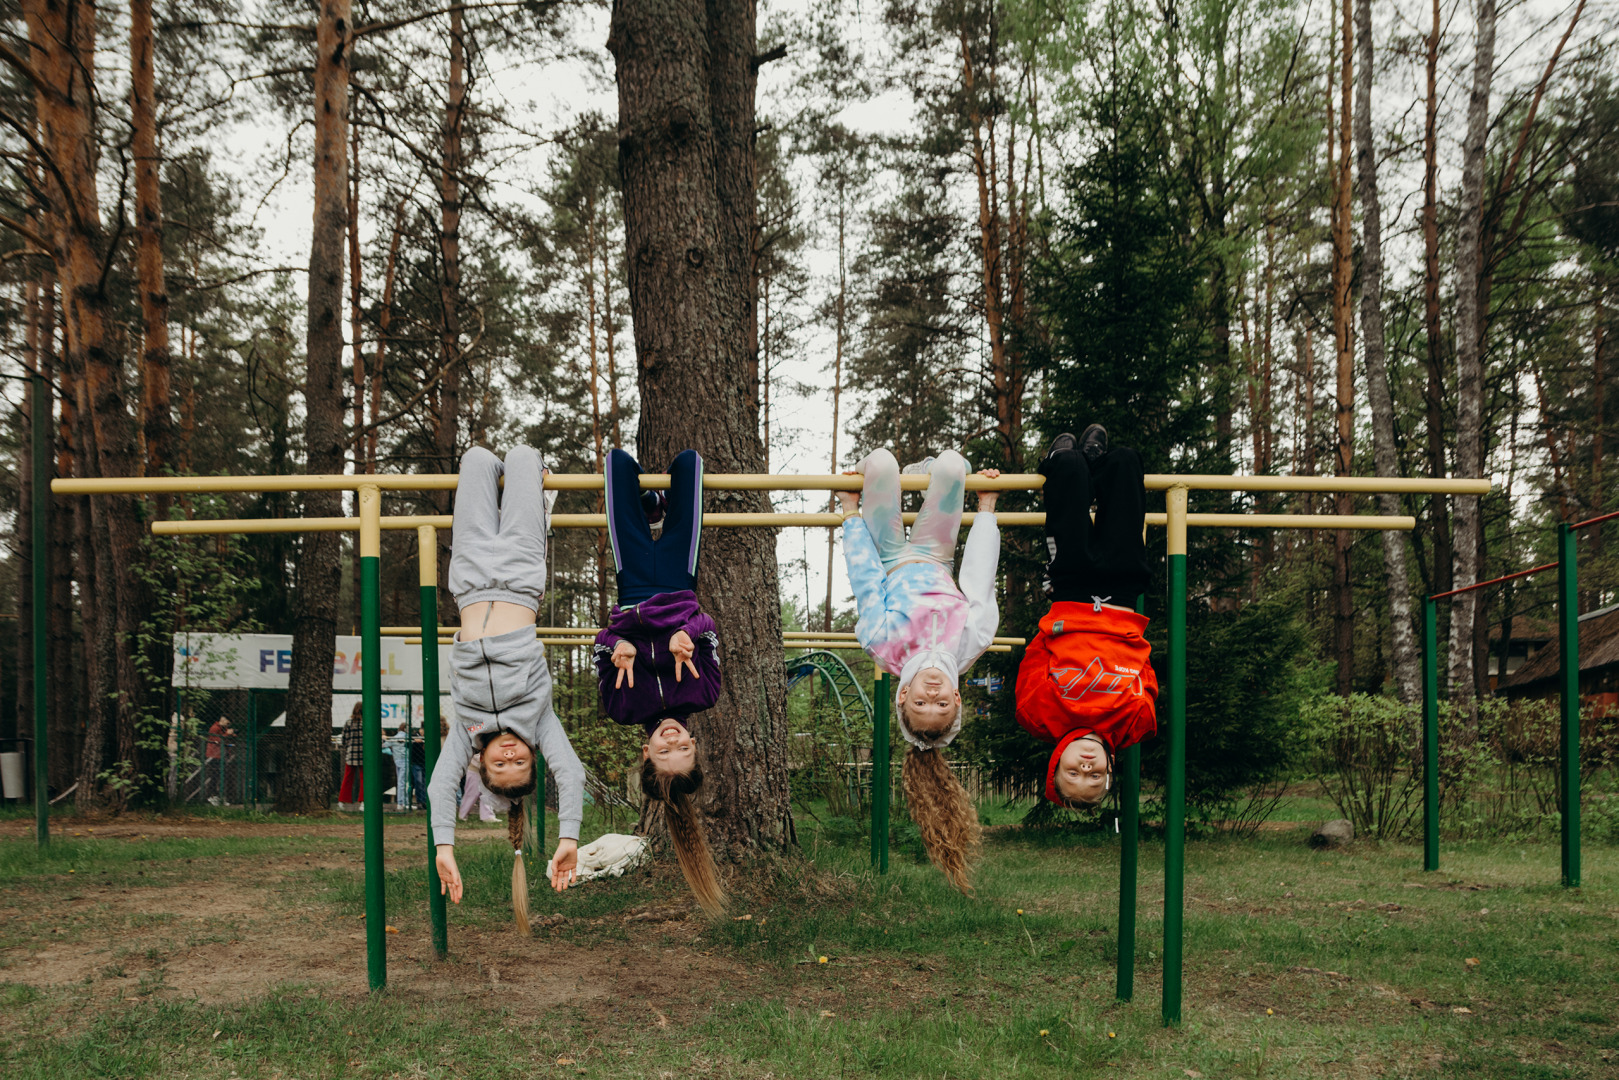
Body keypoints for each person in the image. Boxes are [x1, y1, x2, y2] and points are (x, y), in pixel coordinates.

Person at [427, 444, 587, 934]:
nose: (512, 755)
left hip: (471, 579)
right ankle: (538, 495)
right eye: (521, 763)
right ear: (534, 757)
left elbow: (439, 786)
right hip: (519, 576)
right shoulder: (539, 722)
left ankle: (532, 490)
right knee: (520, 457)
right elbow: (573, 774)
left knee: (475, 459)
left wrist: (444, 846)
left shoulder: (465, 734)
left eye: (502, 764)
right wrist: (569, 837)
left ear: (482, 762)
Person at [835, 448, 1002, 893]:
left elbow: (865, 581)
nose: (932, 692)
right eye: (941, 703)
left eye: (923, 702)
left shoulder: (881, 644)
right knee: (951, 464)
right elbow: (980, 579)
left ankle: (907, 477)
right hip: (936, 555)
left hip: (888, 558)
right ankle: (933, 475)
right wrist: (985, 508)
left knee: (882, 464)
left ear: (903, 697)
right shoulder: (971, 642)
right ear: (957, 700)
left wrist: (850, 514)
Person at [592, 447, 725, 915]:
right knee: (688, 465)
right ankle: (656, 510)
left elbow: (600, 648)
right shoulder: (704, 692)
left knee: (617, 466)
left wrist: (617, 645)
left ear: (645, 753)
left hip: (630, 590)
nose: (671, 740)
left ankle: (647, 508)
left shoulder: (622, 708)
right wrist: (687, 634)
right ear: (693, 742)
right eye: (681, 749)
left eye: (663, 752)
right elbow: (708, 627)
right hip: (677, 583)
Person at [1015, 428, 1159, 808]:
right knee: (1126, 460)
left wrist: (1055, 621)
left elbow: (1034, 660)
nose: (1086, 766)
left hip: (1072, 593)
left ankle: (1073, 463)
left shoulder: (1038, 717)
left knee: (1068, 467)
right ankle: (1101, 463)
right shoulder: (1135, 726)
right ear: (1110, 769)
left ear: (1055, 765)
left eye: (1073, 773)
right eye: (1095, 776)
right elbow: (1146, 674)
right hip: (1123, 597)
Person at [338, 702, 364, 811]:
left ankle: (342, 801)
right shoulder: (366, 722)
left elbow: (344, 739)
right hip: (364, 754)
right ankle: (363, 802)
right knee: (364, 779)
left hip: (351, 753)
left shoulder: (349, 723)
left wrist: (348, 746)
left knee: (348, 778)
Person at [205, 718, 234, 806]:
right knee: (215, 776)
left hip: (221, 755)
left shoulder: (222, 729)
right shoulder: (215, 728)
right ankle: (211, 796)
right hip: (214, 755)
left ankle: (219, 797)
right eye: (227, 723)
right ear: (223, 720)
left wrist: (231, 735)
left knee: (222, 776)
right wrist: (227, 734)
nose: (227, 725)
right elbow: (217, 740)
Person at [386, 725, 410, 810]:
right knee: (404, 782)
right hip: (405, 760)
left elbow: (384, 745)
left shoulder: (393, 738)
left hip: (397, 760)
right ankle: (403, 802)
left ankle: (401, 802)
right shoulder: (407, 736)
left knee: (401, 782)